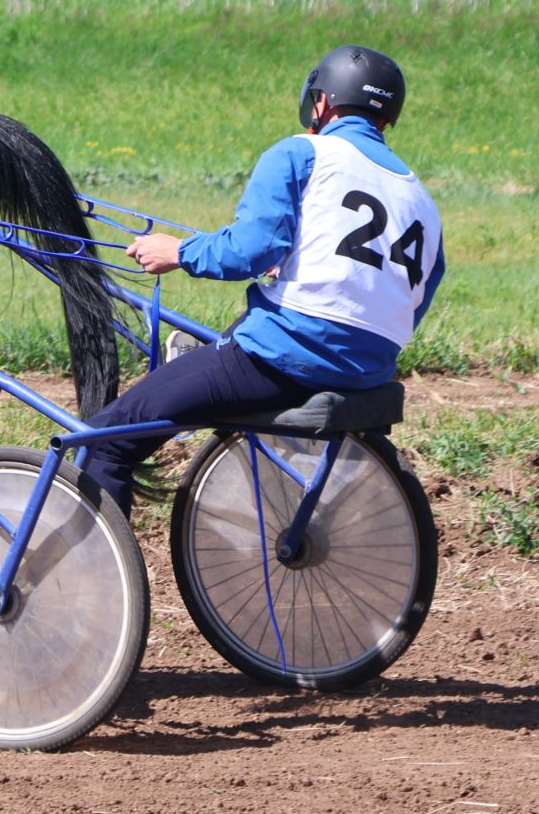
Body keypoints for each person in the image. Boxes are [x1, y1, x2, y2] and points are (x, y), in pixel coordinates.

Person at [76, 45, 445, 513]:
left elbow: (250, 250)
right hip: (369, 368)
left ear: (322, 103)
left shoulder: (300, 152)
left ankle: (101, 584)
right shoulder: (422, 200)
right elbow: (411, 294)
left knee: (106, 440)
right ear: (387, 118)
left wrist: (177, 252)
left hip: (285, 359)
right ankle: (197, 361)